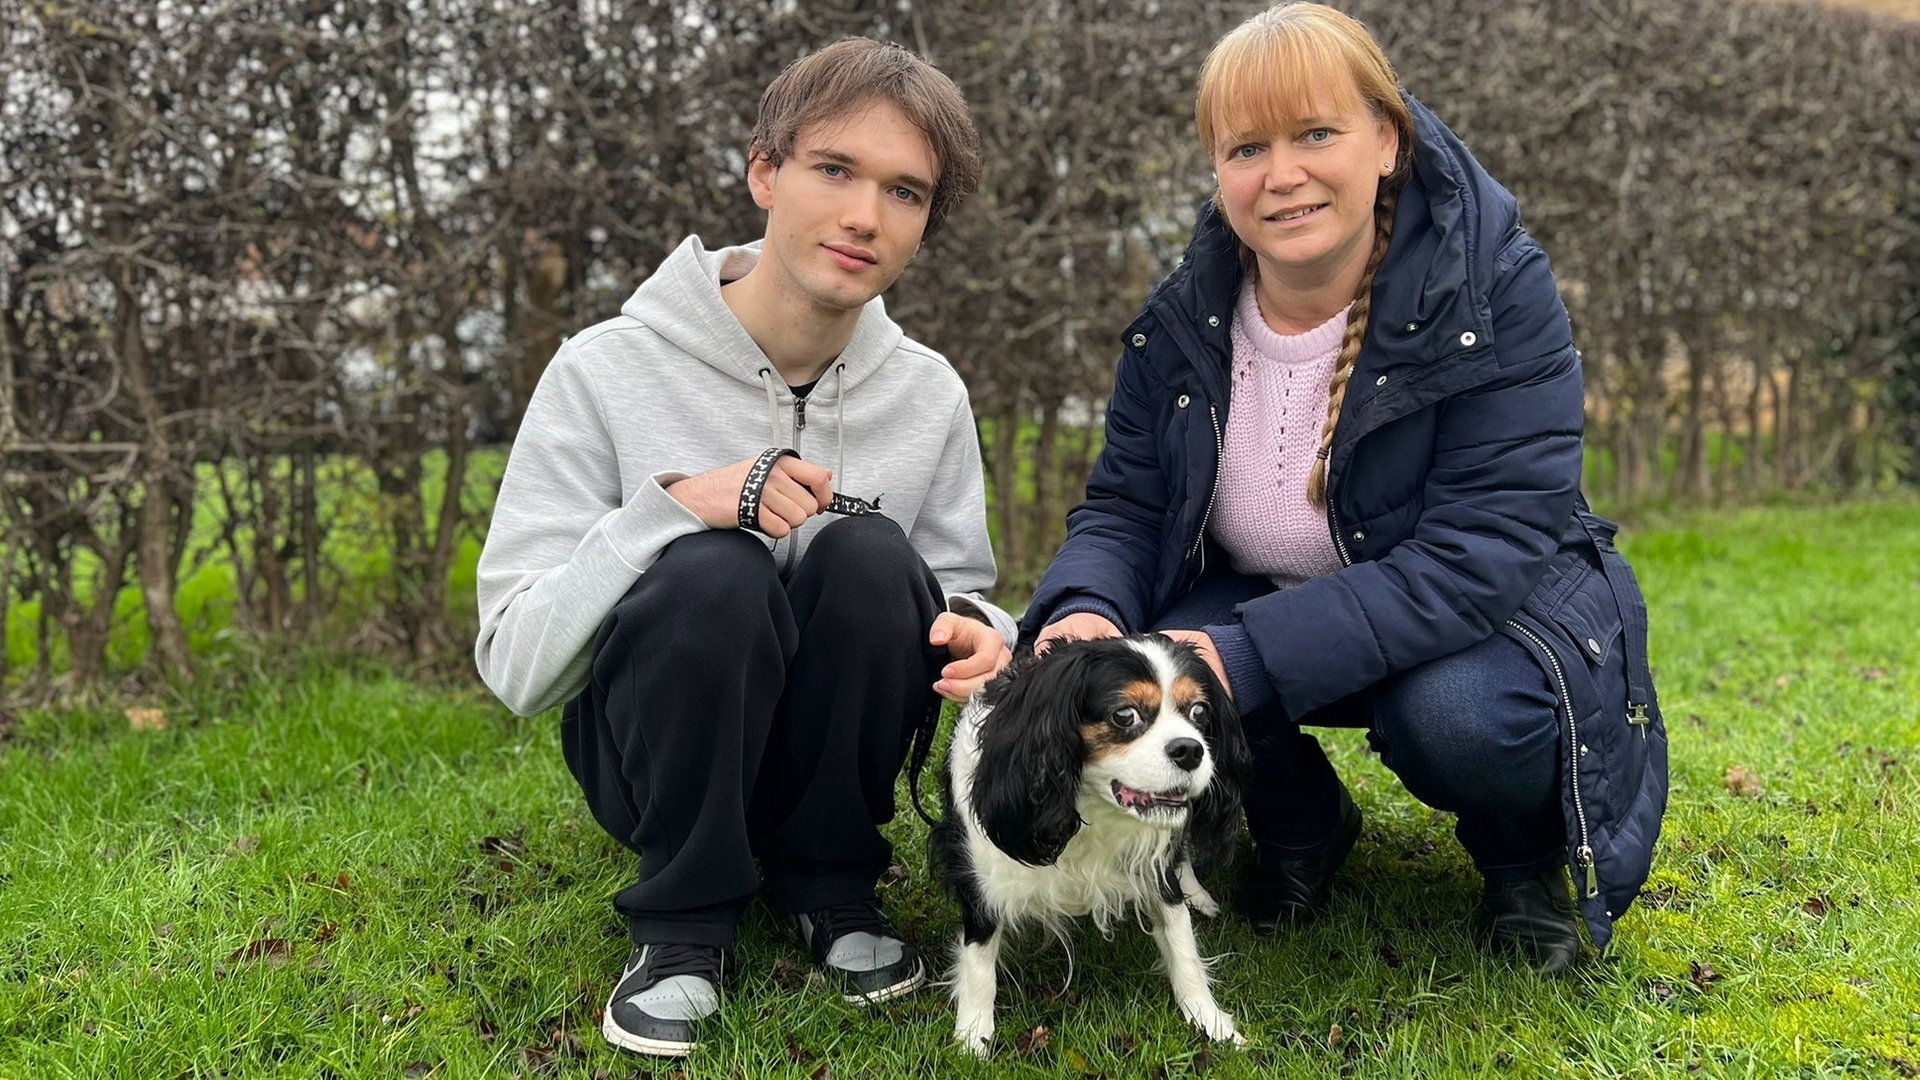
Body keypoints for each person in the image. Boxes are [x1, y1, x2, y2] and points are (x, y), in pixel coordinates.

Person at [1022, 3, 1666, 974]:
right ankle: (1301, 822)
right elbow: (1127, 506)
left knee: (1459, 720)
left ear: (1386, 141)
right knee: (1150, 658)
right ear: (1218, 172)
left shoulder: (1491, 293)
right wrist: (1080, 613)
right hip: (1273, 595)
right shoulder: (1184, 319)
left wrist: (1239, 655)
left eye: (1316, 133)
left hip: (1483, 608)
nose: (1282, 175)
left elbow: (1475, 556)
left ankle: (1522, 861)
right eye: (1246, 148)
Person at [473, 38, 1016, 1058]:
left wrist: (991, 639)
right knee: (710, 571)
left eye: (905, 192)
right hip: (653, 758)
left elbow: (957, 597)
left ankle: (831, 883)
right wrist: (668, 510)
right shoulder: (603, 370)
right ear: (765, 172)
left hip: (839, 765)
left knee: (865, 554)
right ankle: (683, 919)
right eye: (835, 170)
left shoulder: (929, 393)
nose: (864, 216)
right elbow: (513, 663)